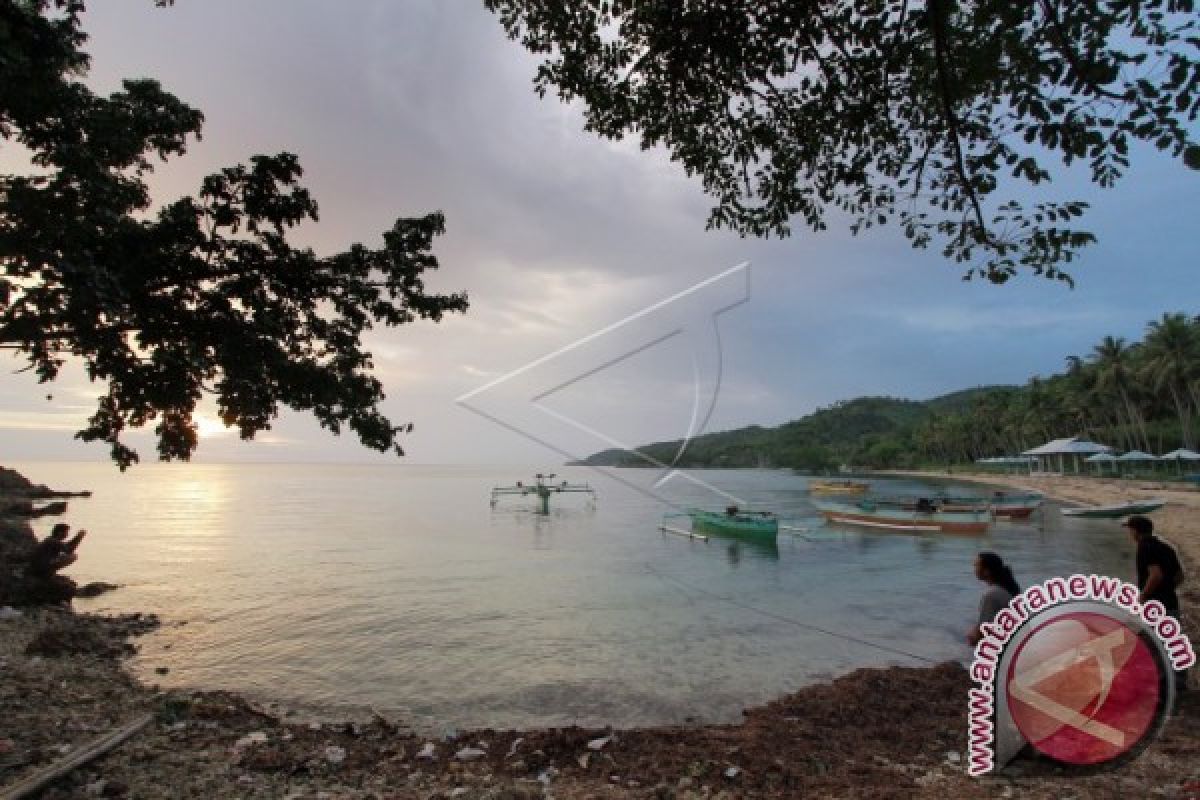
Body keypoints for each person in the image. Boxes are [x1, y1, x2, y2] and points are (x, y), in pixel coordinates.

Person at [1124, 514, 1187, 691]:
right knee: (1172, 641)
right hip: (1170, 602)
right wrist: (1168, 590)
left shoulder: (1144, 547)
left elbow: (1155, 574)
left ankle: (1159, 685)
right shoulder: (1166, 547)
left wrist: (1144, 595)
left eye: (1129, 529)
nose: (1128, 533)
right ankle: (1179, 682)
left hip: (1155, 605)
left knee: (1151, 642)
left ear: (1135, 531)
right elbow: (1180, 576)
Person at [967, 552, 1020, 646]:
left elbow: (982, 632)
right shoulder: (1008, 589)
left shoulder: (991, 595)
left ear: (987, 571)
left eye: (976, 566)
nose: (974, 569)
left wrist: (971, 638)